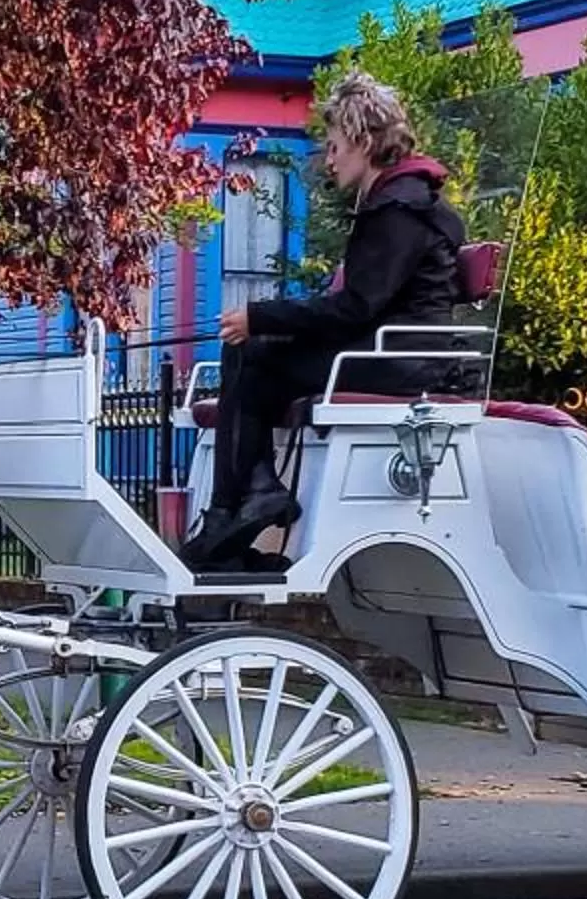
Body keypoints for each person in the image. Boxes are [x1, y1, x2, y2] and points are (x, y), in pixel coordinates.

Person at [185, 74, 465, 573]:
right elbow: (357, 305)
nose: (329, 159)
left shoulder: (399, 211)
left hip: (399, 361)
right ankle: (251, 496)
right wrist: (267, 323)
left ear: (364, 142)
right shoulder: (402, 204)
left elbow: (355, 308)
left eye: (335, 147)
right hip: (392, 351)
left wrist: (260, 317)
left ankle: (234, 510)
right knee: (251, 354)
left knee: (251, 357)